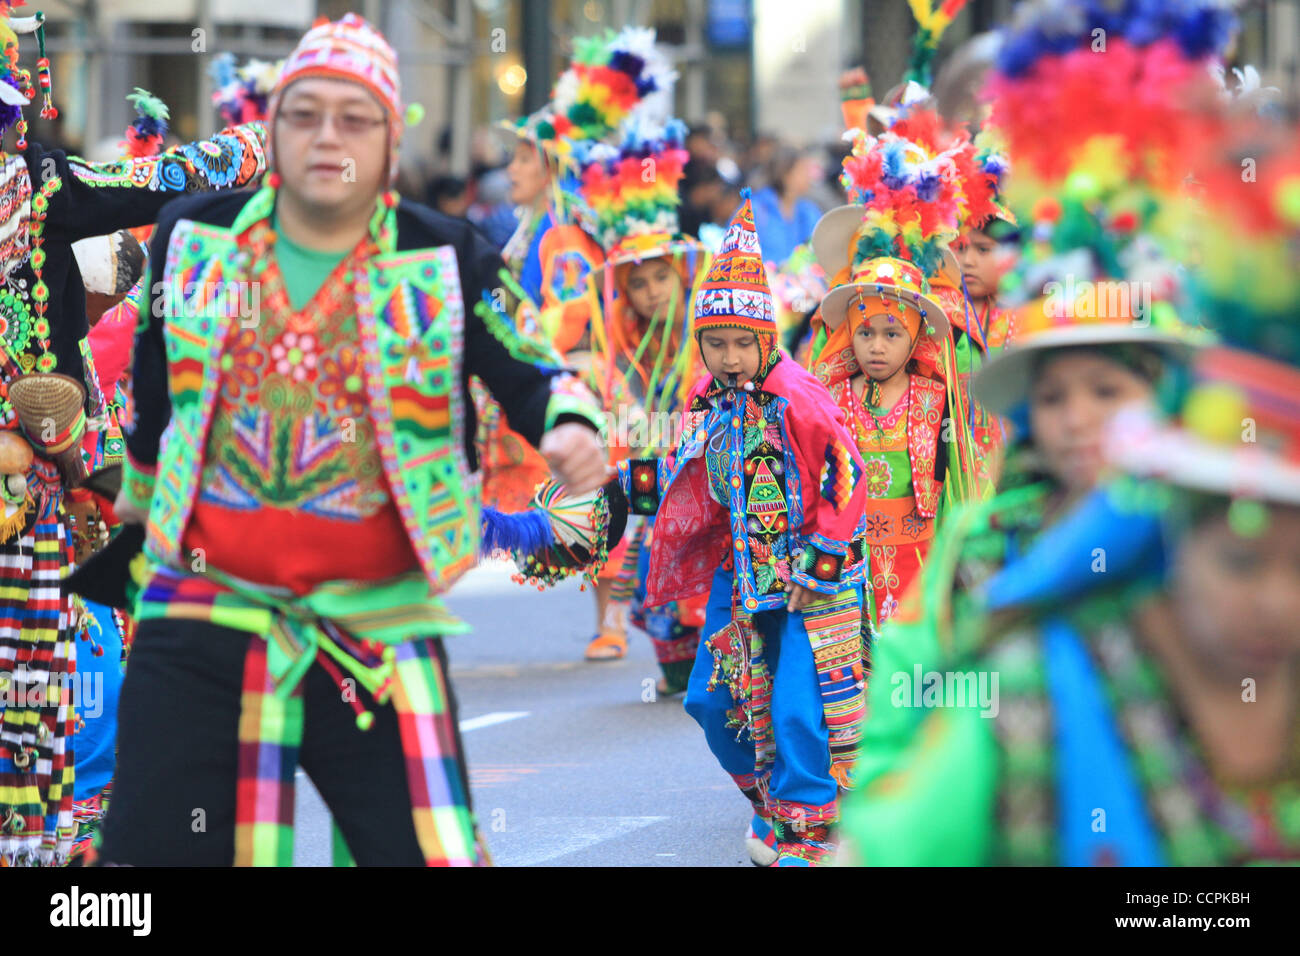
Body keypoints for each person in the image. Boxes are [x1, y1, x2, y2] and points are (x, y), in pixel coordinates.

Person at [96, 13, 607, 867]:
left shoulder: (442, 254)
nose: (327, 135)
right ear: (273, 128)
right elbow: (154, 403)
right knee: (149, 872)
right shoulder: (195, 238)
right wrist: (130, 513)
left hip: (373, 625)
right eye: (304, 113)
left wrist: (569, 422)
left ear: (388, 142)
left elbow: (530, 363)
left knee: (426, 856)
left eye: (354, 116)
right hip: (206, 612)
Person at [0, 7, 268, 867]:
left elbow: (155, 187)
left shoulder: (37, 195)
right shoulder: (39, 191)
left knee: (42, 689)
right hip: (34, 473)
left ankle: (55, 843)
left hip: (41, 488)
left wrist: (249, 150)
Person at [616, 191, 869, 866]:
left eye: (741, 344)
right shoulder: (705, 398)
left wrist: (823, 561)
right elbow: (672, 463)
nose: (729, 358)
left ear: (766, 339)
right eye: (716, 344)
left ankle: (809, 833)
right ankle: (777, 811)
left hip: (811, 581)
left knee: (794, 711)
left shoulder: (800, 396)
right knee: (709, 701)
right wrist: (605, 505)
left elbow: (847, 471)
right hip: (740, 579)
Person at [574, 114, 710, 687]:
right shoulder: (621, 346)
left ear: (681, 276)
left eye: (660, 278)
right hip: (651, 464)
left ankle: (715, 657)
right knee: (649, 559)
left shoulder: (709, 330)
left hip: (705, 462)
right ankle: (666, 656)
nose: (652, 291)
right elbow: (615, 402)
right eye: (638, 283)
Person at [748, 145, 824, 267]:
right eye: (802, 170)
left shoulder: (809, 211)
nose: (808, 176)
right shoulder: (755, 209)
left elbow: (820, 252)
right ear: (785, 174)